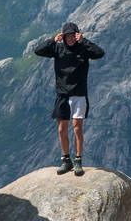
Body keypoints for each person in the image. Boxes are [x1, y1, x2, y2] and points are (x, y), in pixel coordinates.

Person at [34, 21, 105, 176]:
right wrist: (53, 40)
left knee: (77, 128)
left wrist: (84, 41)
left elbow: (100, 53)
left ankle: (78, 160)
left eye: (73, 36)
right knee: (62, 128)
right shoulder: (58, 49)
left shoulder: (83, 49)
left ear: (77, 35)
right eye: (68, 36)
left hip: (79, 94)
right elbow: (38, 51)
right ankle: (66, 160)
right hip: (62, 95)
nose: (70, 39)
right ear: (64, 36)